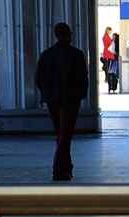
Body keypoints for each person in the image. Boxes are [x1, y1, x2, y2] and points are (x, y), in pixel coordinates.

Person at [34, 22, 90, 181]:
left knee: (60, 134)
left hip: (51, 99)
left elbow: (38, 78)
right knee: (65, 135)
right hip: (70, 100)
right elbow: (82, 78)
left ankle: (67, 167)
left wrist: (46, 92)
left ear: (55, 35)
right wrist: (81, 94)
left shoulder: (46, 55)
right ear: (69, 34)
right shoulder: (76, 54)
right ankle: (58, 169)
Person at [101, 26, 119, 94]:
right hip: (108, 53)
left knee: (109, 68)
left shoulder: (105, 36)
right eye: (110, 31)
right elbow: (110, 43)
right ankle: (109, 80)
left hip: (107, 53)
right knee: (109, 68)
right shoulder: (106, 37)